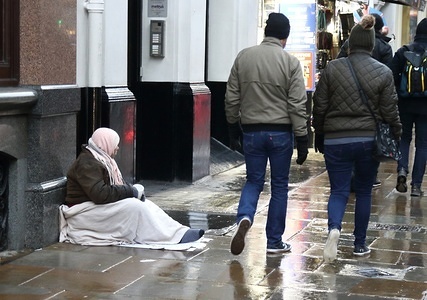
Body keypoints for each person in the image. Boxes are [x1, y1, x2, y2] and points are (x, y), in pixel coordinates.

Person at [312, 15, 401, 262]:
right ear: (372, 44)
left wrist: (319, 133)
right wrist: (397, 133)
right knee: (363, 191)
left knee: (338, 191)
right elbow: (390, 110)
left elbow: (319, 105)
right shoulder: (383, 72)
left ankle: (334, 229)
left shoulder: (332, 68)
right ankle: (360, 244)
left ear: (350, 44)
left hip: (335, 140)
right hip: (367, 140)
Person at [224, 12, 309, 255]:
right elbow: (296, 104)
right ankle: (274, 241)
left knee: (253, 181)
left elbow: (231, 97)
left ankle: (244, 217)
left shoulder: (244, 57)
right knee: (280, 186)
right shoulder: (291, 63)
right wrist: (302, 137)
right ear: (285, 37)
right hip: (281, 133)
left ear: (266, 32)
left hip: (252, 131)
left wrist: (232, 127)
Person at [59, 127, 204, 246]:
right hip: (83, 212)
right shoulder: (87, 163)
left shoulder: (99, 159)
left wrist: (132, 191)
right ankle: (167, 237)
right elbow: (99, 194)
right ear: (105, 144)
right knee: (135, 207)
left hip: (93, 206)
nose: (117, 148)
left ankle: (178, 232)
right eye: (115, 144)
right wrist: (130, 191)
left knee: (147, 204)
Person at [337, 13, 393, 188]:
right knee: (369, 142)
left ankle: (350, 176)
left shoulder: (348, 44)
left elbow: (338, 63)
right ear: (380, 29)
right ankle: (369, 176)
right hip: (373, 105)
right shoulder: (384, 48)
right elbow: (390, 81)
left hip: (347, 98)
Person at [389, 18, 427, 197]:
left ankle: (402, 170)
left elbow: (390, 75)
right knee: (423, 145)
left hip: (404, 104)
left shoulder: (403, 51)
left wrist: (399, 92)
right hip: (426, 108)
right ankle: (417, 186)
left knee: (404, 139)